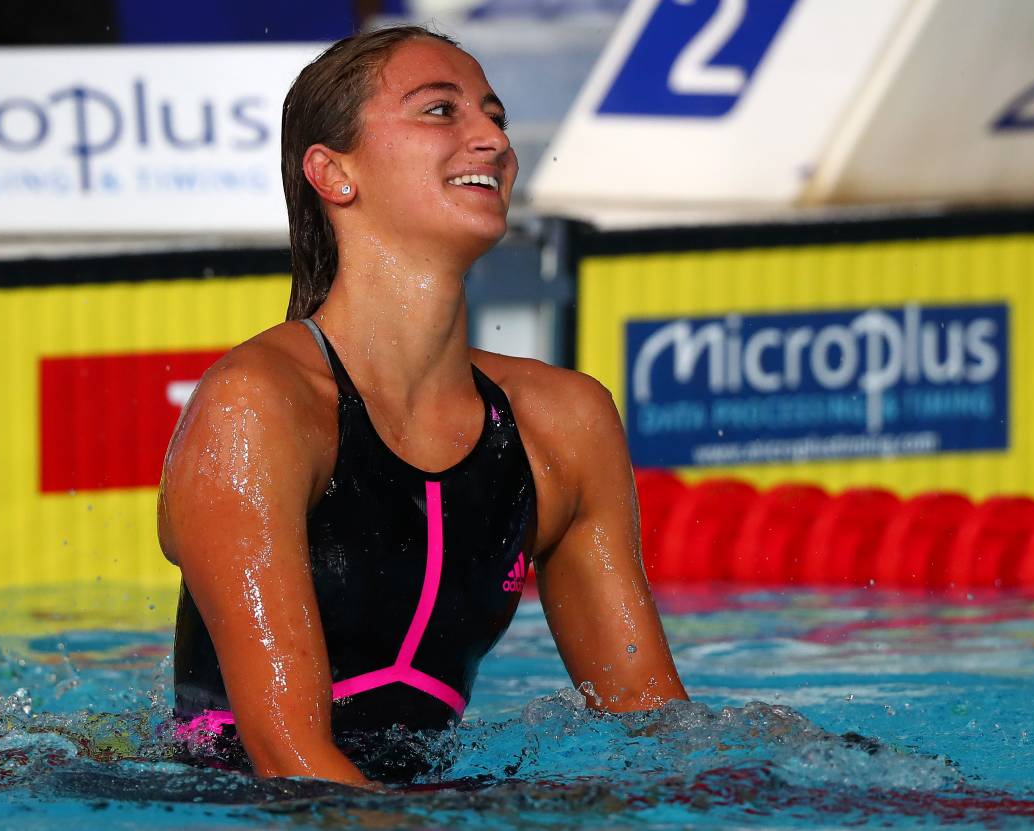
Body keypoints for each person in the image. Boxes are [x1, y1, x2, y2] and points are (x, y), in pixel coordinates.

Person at [158, 24, 688, 787]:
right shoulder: (259, 408)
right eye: (442, 112)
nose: (493, 141)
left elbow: (655, 728)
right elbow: (290, 763)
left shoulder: (562, 425)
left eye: (496, 116)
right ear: (334, 174)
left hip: (423, 801)